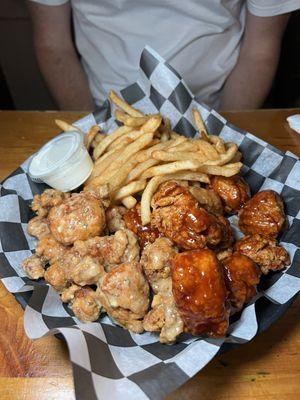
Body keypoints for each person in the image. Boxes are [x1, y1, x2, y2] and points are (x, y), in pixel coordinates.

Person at [27, 1, 300, 111]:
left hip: (216, 108)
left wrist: (225, 134)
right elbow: (53, 43)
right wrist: (89, 129)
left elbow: (260, 48)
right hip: (104, 107)